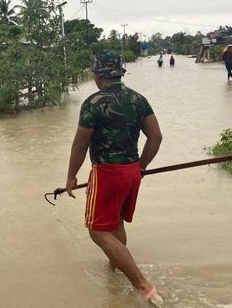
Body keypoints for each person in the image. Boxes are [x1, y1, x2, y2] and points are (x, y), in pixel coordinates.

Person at [66, 50, 163, 306]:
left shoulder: (93, 103)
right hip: (132, 172)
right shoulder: (138, 99)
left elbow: (80, 145)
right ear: (119, 73)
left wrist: (71, 177)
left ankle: (143, 286)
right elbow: (156, 136)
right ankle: (115, 267)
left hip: (107, 173)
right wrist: (141, 166)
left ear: (99, 75)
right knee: (115, 223)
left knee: (97, 232)